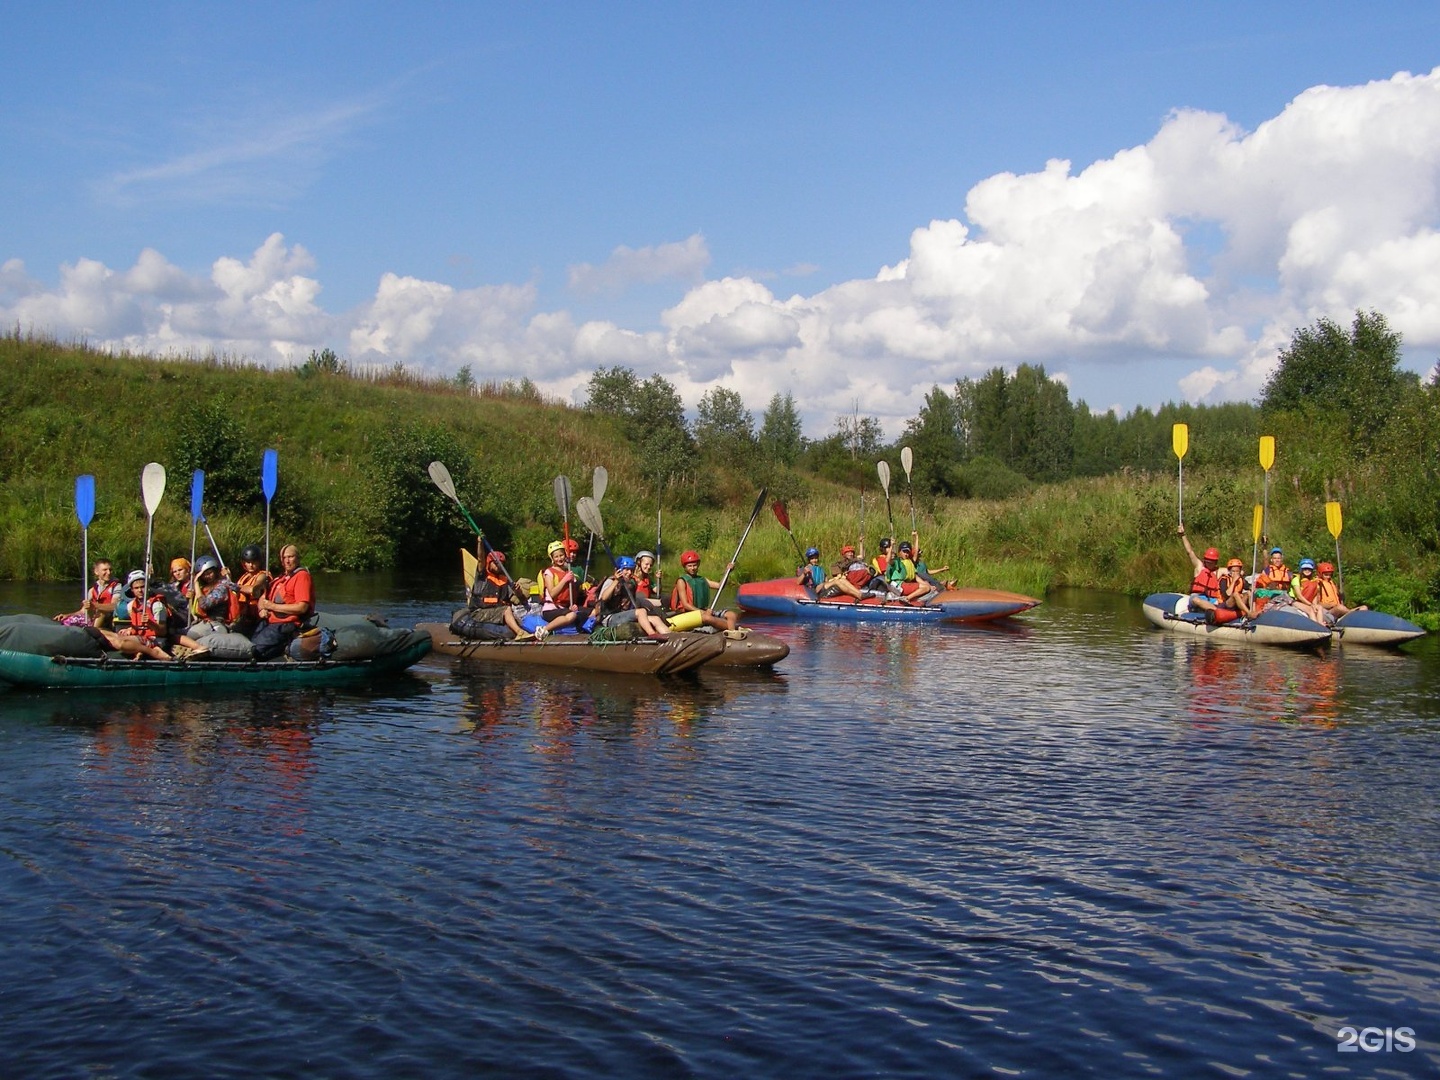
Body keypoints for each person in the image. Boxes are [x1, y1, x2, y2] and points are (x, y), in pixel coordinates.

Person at [252, 544, 316, 659]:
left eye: (290, 557)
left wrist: (272, 606)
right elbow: (263, 597)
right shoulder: (281, 577)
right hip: (270, 622)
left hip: (287, 624)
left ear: (297, 558)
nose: (287, 561)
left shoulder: (302, 576)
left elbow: (302, 607)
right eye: (284, 558)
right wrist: (262, 608)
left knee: (255, 650)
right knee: (250, 646)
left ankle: (284, 648)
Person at [594, 555, 670, 639]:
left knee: (655, 619)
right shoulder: (610, 581)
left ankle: (672, 637)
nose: (629, 572)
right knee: (641, 612)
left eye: (631, 570)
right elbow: (604, 598)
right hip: (609, 618)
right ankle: (652, 635)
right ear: (618, 570)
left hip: (624, 615)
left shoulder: (630, 584)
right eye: (626, 569)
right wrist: (616, 581)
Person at [670, 549, 740, 631]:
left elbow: (720, 586)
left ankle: (732, 631)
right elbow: (685, 605)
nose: (692, 568)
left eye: (694, 565)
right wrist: (702, 612)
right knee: (707, 618)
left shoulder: (702, 579)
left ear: (698, 565)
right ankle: (734, 629)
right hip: (689, 613)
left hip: (703, 610)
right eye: (689, 566)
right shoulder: (681, 581)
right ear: (684, 567)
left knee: (731, 614)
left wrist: (727, 571)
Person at [536, 539, 587, 637]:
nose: (559, 559)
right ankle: (544, 630)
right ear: (552, 558)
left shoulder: (567, 572)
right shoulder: (549, 573)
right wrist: (565, 580)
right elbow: (552, 594)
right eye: (556, 556)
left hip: (563, 608)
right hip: (550, 610)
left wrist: (572, 606)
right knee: (571, 615)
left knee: (583, 614)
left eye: (561, 555)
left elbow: (569, 595)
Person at [54, 558, 120, 628]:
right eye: (105, 570)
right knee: (74, 619)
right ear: (96, 572)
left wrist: (94, 605)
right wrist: (67, 615)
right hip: (96, 619)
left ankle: (92, 631)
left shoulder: (117, 586)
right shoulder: (92, 590)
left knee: (101, 612)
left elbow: (114, 606)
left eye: (110, 570)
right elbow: (83, 611)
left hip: (110, 619)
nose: (109, 572)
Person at [1177, 525, 1222, 616]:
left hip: (1212, 600)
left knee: (1221, 602)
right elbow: (1190, 552)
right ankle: (1217, 612)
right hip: (1197, 597)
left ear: (1215, 562)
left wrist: (1239, 571)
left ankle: (1219, 612)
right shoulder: (1199, 567)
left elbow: (1232, 570)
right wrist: (1183, 535)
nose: (1209, 563)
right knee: (1195, 600)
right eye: (1207, 560)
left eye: (1212, 561)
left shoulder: (1218, 571)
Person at [232, 544, 272, 636]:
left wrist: (237, 587)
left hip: (257, 617)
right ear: (244, 563)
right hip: (243, 616)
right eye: (248, 562)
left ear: (259, 562)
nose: (251, 565)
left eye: (254, 562)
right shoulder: (244, 577)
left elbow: (254, 589)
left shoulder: (263, 575)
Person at [887, 541, 939, 605]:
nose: (906, 554)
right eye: (904, 552)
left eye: (907, 552)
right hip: (899, 585)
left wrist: (929, 585)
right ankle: (907, 598)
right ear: (899, 552)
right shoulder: (896, 562)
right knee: (926, 588)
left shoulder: (909, 563)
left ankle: (916, 599)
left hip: (904, 584)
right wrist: (891, 546)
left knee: (926, 584)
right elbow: (888, 560)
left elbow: (916, 577)